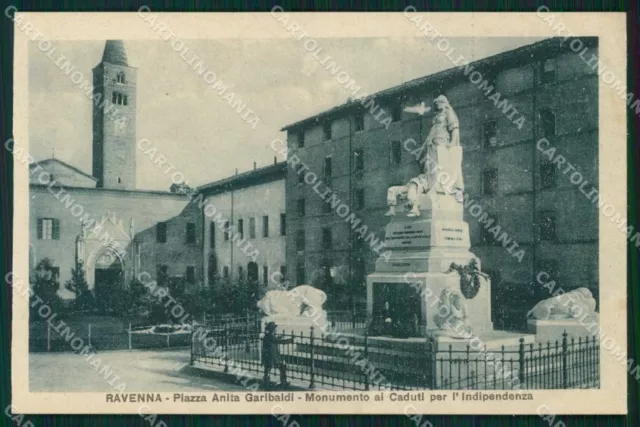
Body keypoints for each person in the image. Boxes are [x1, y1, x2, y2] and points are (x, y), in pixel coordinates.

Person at [386, 95, 464, 217]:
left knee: (437, 167)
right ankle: (431, 188)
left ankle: (435, 188)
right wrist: (424, 146)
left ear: (444, 102)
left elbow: (455, 129)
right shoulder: (437, 116)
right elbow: (432, 132)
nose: (436, 105)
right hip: (432, 143)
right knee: (430, 166)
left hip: (442, 142)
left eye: (438, 103)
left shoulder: (449, 112)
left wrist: (452, 143)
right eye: (436, 103)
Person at [261, 321, 294, 389]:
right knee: (282, 367)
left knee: (267, 371)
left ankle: (266, 385)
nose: (276, 330)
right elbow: (282, 342)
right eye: (275, 329)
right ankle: (283, 382)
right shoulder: (271, 337)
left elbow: (274, 341)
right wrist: (291, 340)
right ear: (273, 330)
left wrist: (279, 337)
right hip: (273, 358)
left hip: (267, 357)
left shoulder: (266, 336)